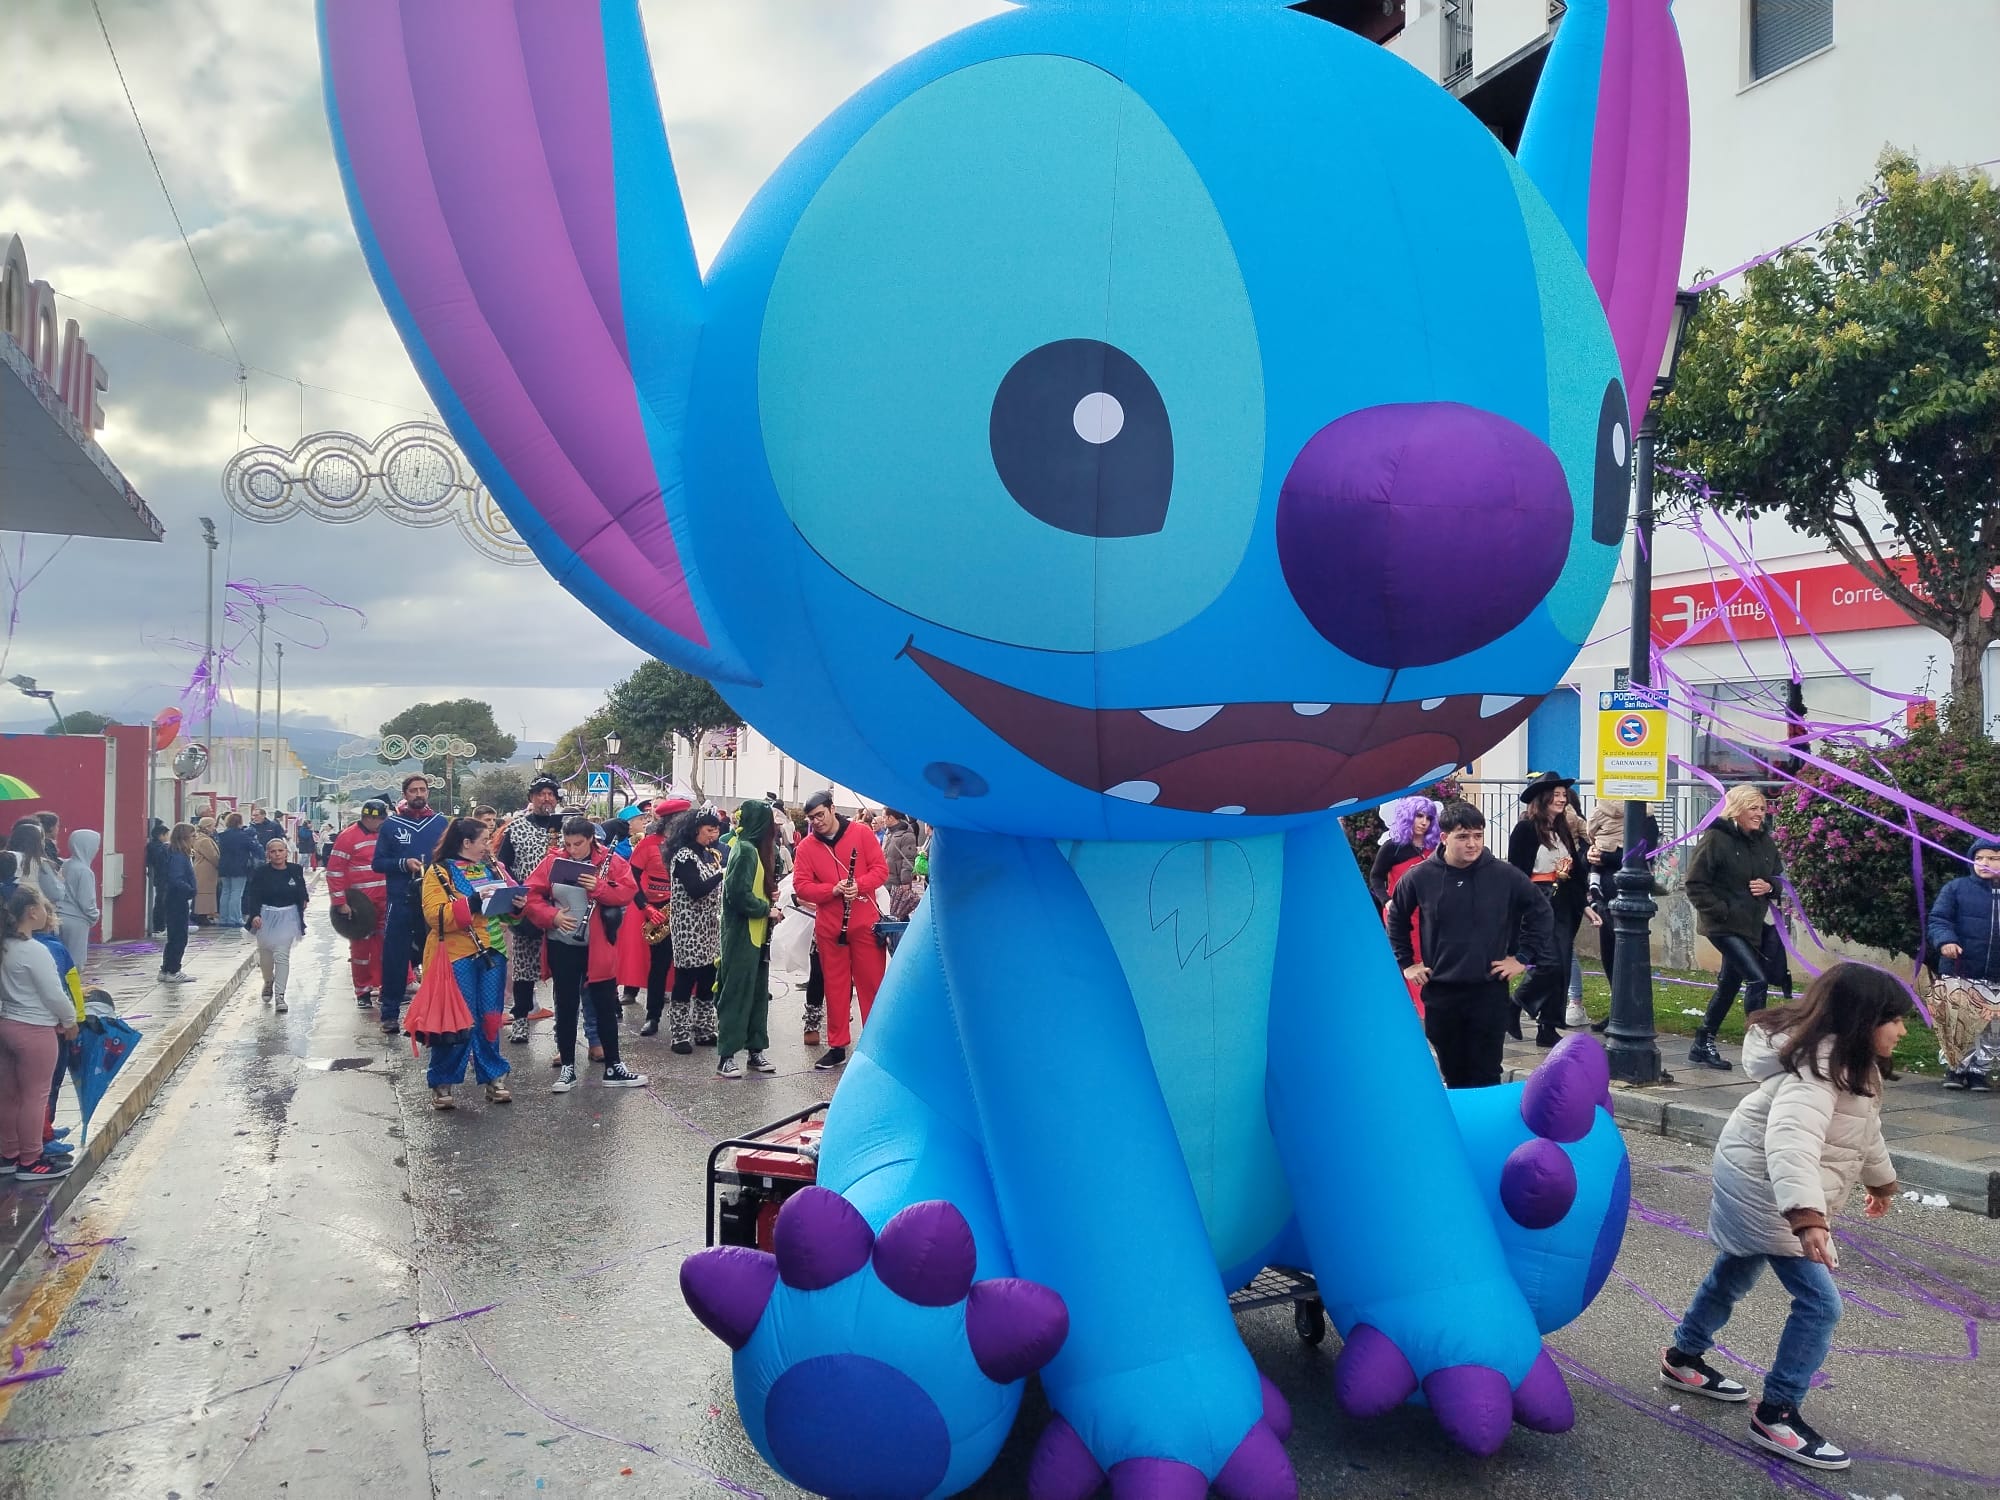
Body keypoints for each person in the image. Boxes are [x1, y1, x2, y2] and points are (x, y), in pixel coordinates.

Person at [1661, 963, 1909, 1473]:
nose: (1903, 1031)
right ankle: (1777, 1413)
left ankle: (1683, 1357)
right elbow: (1791, 1142)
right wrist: (1807, 1216)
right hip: (1767, 1188)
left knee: (1737, 1269)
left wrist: (1879, 1180)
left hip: (1762, 1181)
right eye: (1895, 1019)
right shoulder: (1818, 1071)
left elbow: (1862, 1129)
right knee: (1821, 1306)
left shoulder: (1850, 1062)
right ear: (1863, 1020)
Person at [1387, 801, 1556, 1089]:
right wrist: (1407, 964)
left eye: (1478, 836)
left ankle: (1490, 1132)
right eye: (1463, 837)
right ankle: (1463, 1132)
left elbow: (1541, 912)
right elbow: (1397, 918)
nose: (1472, 844)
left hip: (1487, 991)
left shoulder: (1504, 875)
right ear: (1444, 838)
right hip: (1441, 992)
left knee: (1487, 1075)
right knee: (1454, 1075)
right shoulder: (1420, 876)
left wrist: (1523, 957)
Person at [522, 817, 646, 1091]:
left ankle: (614, 1066)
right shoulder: (554, 862)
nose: (573, 850)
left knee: (604, 1004)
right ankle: (567, 1066)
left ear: (591, 839)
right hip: (562, 944)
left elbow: (627, 892)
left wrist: (599, 888)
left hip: (598, 945)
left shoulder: (610, 862)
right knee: (565, 1005)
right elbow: (531, 896)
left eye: (578, 844)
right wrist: (552, 916)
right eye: (568, 844)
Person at [417, 817, 515, 1109]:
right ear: (466, 843)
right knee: (458, 1019)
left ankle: (494, 1076)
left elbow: (507, 912)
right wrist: (471, 903)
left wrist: (516, 905)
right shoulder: (438, 872)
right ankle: (442, 1081)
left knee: (490, 1016)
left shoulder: (492, 868)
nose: (489, 846)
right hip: (456, 954)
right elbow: (434, 915)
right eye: (485, 840)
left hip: (493, 950)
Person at [1686, 785, 1785, 1072]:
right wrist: (1721, 911)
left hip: (1750, 924)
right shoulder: (1716, 839)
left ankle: (1702, 1043)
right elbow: (1695, 883)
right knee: (1757, 980)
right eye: (1753, 808)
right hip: (1722, 925)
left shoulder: (1765, 842)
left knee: (1729, 984)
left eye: (1762, 809)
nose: (1759, 814)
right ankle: (1758, 1049)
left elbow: (1777, 876)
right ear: (1737, 809)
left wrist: (1770, 886)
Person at [794, 790, 888, 1071]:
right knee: (835, 987)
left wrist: (859, 884)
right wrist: (831, 890)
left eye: (820, 815)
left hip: (864, 922)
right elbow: (801, 885)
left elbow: (880, 870)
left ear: (832, 809)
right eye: (812, 818)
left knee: (872, 984)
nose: (817, 822)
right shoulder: (807, 847)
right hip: (830, 926)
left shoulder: (861, 833)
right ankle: (837, 1046)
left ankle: (875, 1046)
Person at [1506, 773, 1598, 1048]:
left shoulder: (1561, 830)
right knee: (1550, 964)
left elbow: (1574, 872)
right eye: (1556, 794)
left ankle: (1548, 1027)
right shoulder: (1525, 830)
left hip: (1563, 904)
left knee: (1563, 970)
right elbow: (1517, 873)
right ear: (1543, 798)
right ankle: (1515, 1004)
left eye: (1563, 795)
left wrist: (1585, 905)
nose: (1561, 799)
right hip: (1537, 902)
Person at [0, 888, 79, 1181]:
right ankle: (31, 1160)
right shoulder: (34, 950)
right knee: (35, 1096)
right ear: (32, 912)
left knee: (8, 1095)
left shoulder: (5, 946)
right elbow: (53, 994)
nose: (47, 911)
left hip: (6, 1024)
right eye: (43, 906)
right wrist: (70, 1019)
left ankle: (8, 1154)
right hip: (35, 1029)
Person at [372, 775, 449, 1035]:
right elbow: (378, 863)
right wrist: (404, 864)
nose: (419, 794)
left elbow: (451, 859)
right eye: (414, 790)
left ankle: (432, 1014)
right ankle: (390, 1014)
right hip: (401, 899)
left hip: (433, 900)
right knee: (395, 958)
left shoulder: (440, 823)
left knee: (436, 957)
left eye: (423, 790)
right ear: (405, 793)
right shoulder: (391, 825)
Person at [1581, 800, 1664, 1029]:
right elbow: (1588, 845)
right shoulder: (1601, 813)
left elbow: (1642, 854)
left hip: (1630, 894)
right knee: (1609, 955)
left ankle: (1633, 1011)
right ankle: (1618, 1008)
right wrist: (1591, 855)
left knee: (1629, 954)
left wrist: (1604, 857)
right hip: (1604, 893)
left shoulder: (1644, 815)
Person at [1926, 837, 2000, 1090]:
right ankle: (1956, 1069)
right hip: (1961, 970)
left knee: (1993, 1028)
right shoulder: (1957, 889)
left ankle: (1980, 1071)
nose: (1984, 863)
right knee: (1959, 1022)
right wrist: (1945, 941)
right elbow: (1939, 919)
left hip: (1996, 974)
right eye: (1979, 858)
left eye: (1992, 858)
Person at [715, 799, 783, 1079]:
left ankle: (756, 1050)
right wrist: (766, 909)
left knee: (757, 995)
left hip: (758, 936)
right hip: (742, 935)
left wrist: (770, 896)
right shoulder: (743, 851)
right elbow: (737, 894)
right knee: (736, 994)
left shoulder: (755, 850)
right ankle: (726, 1055)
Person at [496, 776, 566, 1043]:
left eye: (550, 794)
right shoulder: (515, 829)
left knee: (563, 971)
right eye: (540, 794)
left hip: (561, 907)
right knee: (524, 971)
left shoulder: (568, 828)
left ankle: (564, 1024)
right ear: (531, 798)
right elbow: (502, 867)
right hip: (526, 907)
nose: (546, 798)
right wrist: (516, 896)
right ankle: (521, 1020)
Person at [658, 808, 725, 1049]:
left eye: (716, 829)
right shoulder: (684, 856)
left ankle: (705, 1029)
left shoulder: (708, 854)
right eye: (709, 830)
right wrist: (721, 875)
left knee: (708, 979)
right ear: (695, 830)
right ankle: (680, 1034)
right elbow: (695, 889)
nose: (714, 834)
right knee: (685, 980)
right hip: (689, 929)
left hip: (709, 928)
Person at [626, 798, 690, 1027]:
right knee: (659, 965)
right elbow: (630, 878)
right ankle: (653, 1016)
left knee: (688, 967)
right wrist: (646, 907)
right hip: (659, 911)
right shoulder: (648, 844)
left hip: (688, 911)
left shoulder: (692, 843)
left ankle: (684, 1018)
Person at [327, 800, 391, 1011]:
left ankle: (384, 988)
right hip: (360, 907)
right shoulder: (348, 837)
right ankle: (362, 991)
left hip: (385, 901)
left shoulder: (384, 834)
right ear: (370, 818)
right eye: (381, 819)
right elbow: (334, 871)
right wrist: (340, 903)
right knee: (361, 950)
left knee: (385, 948)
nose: (383, 823)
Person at [243, 836, 310, 1013]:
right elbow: (254, 895)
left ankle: (280, 996)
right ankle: (268, 981)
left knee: (281, 955)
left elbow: (301, 888)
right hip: (266, 916)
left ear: (286, 853)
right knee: (265, 958)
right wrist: (255, 915)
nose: (277, 854)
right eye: (273, 851)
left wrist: (303, 899)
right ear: (268, 854)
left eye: (280, 850)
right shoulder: (261, 872)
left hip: (288, 918)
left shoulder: (295, 870)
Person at [1369, 796, 1440, 907]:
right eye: (1419, 816)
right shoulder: (1392, 847)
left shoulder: (1436, 847)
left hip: (1431, 914)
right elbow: (1376, 877)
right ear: (1408, 816)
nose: (1424, 822)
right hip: (1399, 914)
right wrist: (1386, 901)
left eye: (1429, 818)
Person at [53, 829, 101, 974]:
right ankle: (71, 994)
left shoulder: (64, 864)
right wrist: (95, 916)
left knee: (60, 960)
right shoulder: (85, 871)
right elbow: (87, 902)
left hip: (59, 916)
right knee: (75, 963)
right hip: (77, 920)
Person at [158, 825, 199, 984]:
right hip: (177, 898)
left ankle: (167, 968)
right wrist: (190, 890)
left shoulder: (175, 853)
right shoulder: (178, 856)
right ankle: (173, 970)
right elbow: (176, 878)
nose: (195, 839)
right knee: (179, 936)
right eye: (193, 836)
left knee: (174, 935)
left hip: (173, 897)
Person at [216, 811, 259, 930]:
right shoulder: (243, 836)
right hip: (239, 867)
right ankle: (235, 918)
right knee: (236, 893)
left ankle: (223, 918)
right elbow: (255, 847)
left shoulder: (222, 835)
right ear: (239, 822)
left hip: (224, 866)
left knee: (225, 892)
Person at [880, 808, 923, 921]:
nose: (883, 820)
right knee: (888, 912)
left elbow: (908, 860)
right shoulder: (888, 833)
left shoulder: (906, 835)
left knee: (900, 913)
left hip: (897, 882)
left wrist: (905, 882)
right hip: (886, 879)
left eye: (884, 817)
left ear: (891, 817)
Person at [191, 816, 221, 927]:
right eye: (213, 826)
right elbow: (213, 856)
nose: (214, 828)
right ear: (207, 827)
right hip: (205, 871)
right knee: (204, 894)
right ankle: (201, 916)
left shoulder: (199, 838)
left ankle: (202, 915)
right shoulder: (204, 841)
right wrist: (220, 864)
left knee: (204, 893)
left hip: (204, 870)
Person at [145, 820, 171, 935]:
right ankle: (159, 925)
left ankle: (160, 925)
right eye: (166, 835)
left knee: (162, 901)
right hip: (162, 878)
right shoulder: (158, 848)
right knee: (161, 902)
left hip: (161, 877)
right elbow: (162, 862)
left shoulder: (156, 847)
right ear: (161, 836)